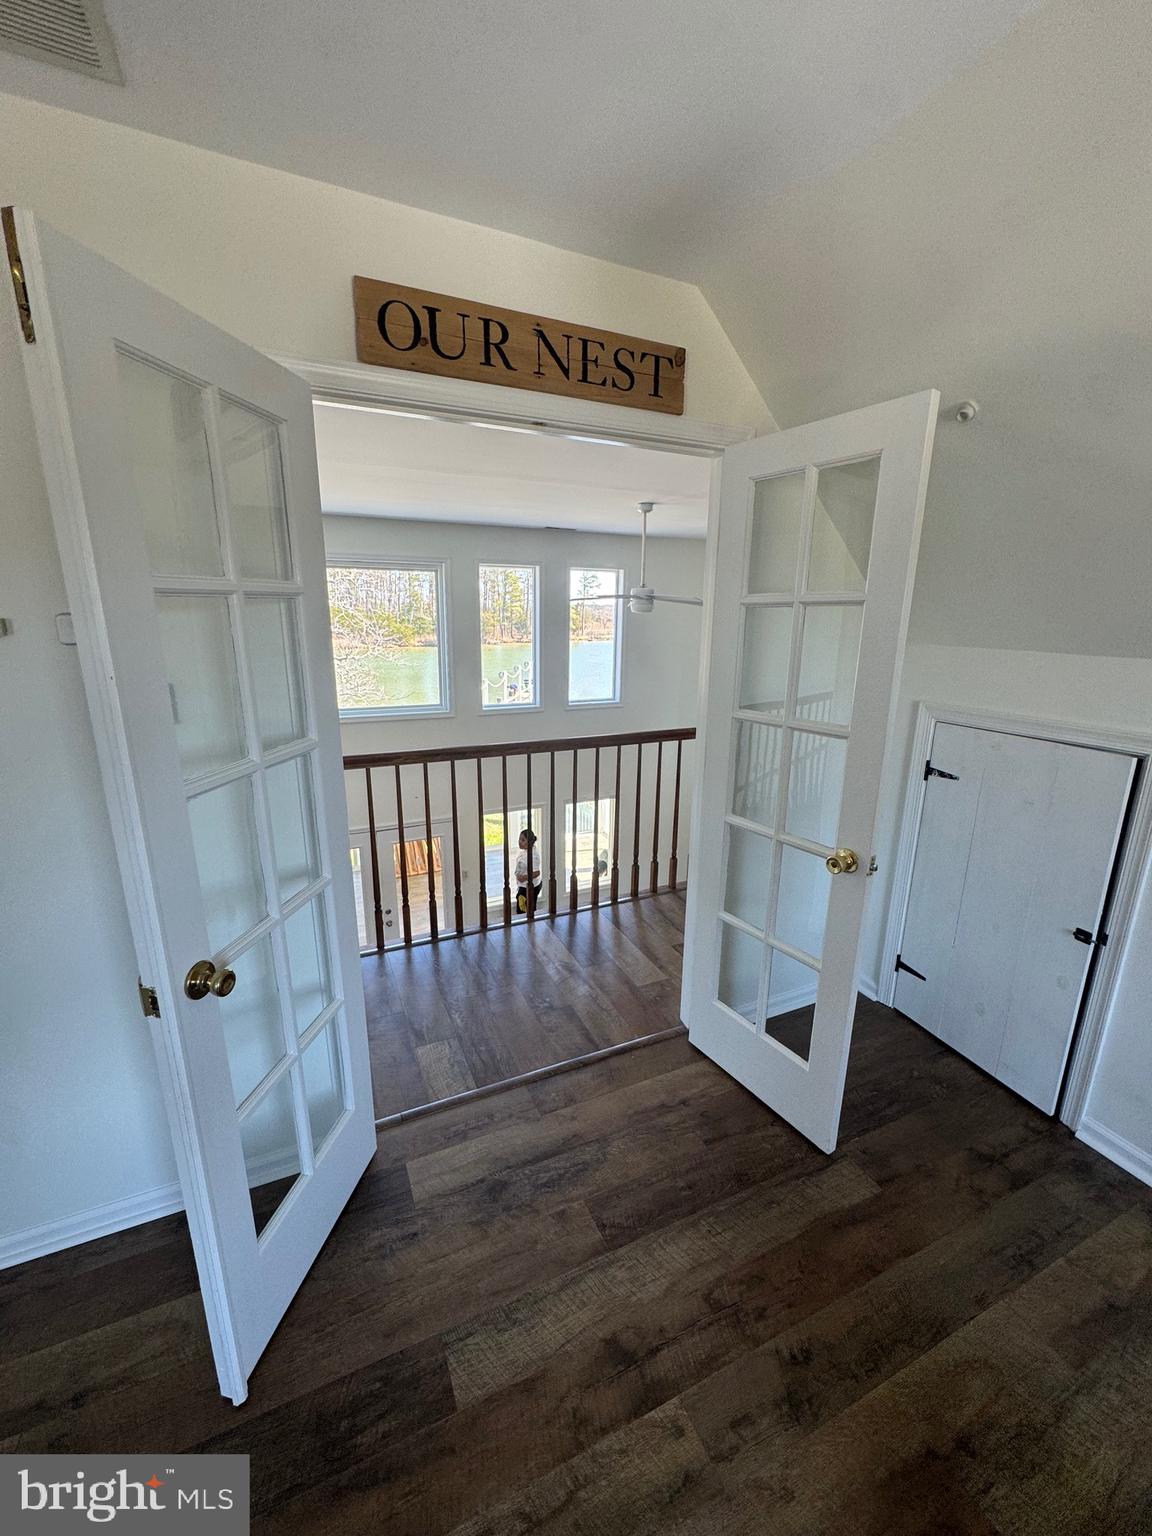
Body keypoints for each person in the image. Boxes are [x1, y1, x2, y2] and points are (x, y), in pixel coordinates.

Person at [515, 827, 542, 913]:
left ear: (530, 842)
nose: (519, 842)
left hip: (529, 887)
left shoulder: (533, 856)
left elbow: (537, 872)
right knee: (524, 906)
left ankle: (528, 924)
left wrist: (524, 878)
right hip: (523, 886)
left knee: (524, 909)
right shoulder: (525, 851)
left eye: (523, 840)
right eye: (519, 839)